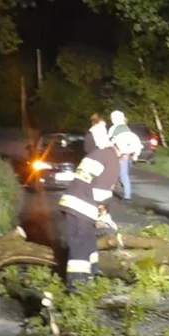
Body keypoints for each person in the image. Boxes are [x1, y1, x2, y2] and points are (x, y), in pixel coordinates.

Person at [58, 130, 143, 291]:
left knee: (89, 242)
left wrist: (101, 214)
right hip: (80, 206)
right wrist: (103, 214)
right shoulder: (111, 161)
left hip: (78, 204)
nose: (130, 157)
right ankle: (77, 284)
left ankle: (92, 274)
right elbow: (101, 193)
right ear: (126, 148)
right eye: (131, 154)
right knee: (80, 246)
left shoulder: (102, 154)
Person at [106, 110, 136, 200]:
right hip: (123, 154)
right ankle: (127, 195)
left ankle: (111, 191)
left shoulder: (116, 128)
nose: (111, 119)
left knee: (114, 173)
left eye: (112, 117)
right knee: (122, 174)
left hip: (117, 154)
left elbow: (110, 141)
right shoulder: (125, 128)